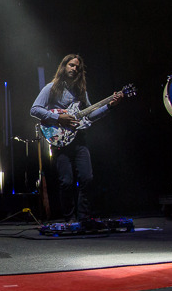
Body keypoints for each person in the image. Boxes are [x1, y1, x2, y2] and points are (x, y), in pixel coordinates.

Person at [30, 54, 123, 223]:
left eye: (77, 67)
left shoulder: (81, 91)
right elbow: (35, 109)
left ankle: (83, 218)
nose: (74, 69)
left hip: (79, 138)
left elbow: (90, 115)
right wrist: (59, 118)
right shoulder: (51, 88)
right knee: (66, 181)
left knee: (87, 178)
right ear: (64, 66)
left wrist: (109, 105)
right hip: (60, 139)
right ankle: (70, 219)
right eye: (71, 65)